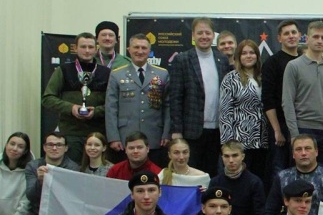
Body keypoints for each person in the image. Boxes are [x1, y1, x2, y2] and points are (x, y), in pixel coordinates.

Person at [169, 17, 233, 176]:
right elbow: (175, 98)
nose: (204, 36)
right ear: (193, 35)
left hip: (217, 131)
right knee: (190, 174)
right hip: (191, 131)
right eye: (200, 33)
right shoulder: (182, 60)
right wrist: (177, 131)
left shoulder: (222, 60)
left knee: (211, 174)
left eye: (207, 33)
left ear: (213, 35)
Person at [42, 32, 110, 163]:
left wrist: (96, 111)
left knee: (96, 170)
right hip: (70, 133)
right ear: (75, 48)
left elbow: (113, 104)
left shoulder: (106, 73)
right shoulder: (63, 70)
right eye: (83, 47)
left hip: (97, 134)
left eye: (90, 47)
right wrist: (71, 108)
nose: (87, 50)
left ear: (96, 49)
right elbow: (47, 98)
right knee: (72, 170)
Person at [106, 33, 170, 166]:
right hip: (125, 137)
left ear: (149, 51)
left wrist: (166, 133)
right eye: (136, 47)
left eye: (144, 48)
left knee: (154, 174)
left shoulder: (162, 74)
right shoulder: (117, 74)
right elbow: (111, 108)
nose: (140, 51)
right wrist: (113, 137)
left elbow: (168, 106)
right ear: (129, 49)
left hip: (154, 136)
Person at [282, 20, 323, 165]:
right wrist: (294, 134)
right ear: (307, 39)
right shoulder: (293, 66)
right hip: (302, 128)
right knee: (300, 174)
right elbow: (287, 102)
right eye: (315, 37)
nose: (319, 41)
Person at [264, 134, 323, 215]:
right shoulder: (282, 177)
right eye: (298, 149)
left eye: (308, 148)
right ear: (293, 154)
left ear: (316, 152)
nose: (303, 153)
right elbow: (270, 211)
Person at [219, 39, 269, 182]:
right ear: (238, 57)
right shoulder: (231, 78)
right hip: (240, 138)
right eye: (244, 53)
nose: (248, 56)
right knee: (242, 179)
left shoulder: (264, 76)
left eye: (252, 53)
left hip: (263, 138)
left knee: (260, 178)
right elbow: (225, 112)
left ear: (257, 56)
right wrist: (228, 144)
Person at [262, 20, 302, 176]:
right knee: (279, 170)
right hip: (281, 125)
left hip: (302, 123)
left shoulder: (305, 61)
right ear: (279, 38)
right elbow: (268, 99)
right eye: (286, 33)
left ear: (300, 35)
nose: (291, 36)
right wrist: (277, 130)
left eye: (293, 32)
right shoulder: (272, 63)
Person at [25, 132, 80, 215]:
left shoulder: (73, 168)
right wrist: (40, 182)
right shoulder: (33, 166)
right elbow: (31, 196)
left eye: (59, 145)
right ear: (44, 147)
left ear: (66, 148)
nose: (54, 148)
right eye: (50, 144)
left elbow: (70, 199)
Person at [209, 140, 267, 215]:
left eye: (235, 155)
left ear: (243, 156)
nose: (231, 160)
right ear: (222, 158)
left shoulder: (254, 182)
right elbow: (210, 211)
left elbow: (260, 214)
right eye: (226, 156)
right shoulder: (215, 182)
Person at [1, 132, 34, 215]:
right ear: (6, 145)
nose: (14, 149)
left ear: (25, 151)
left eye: (20, 147)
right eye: (12, 144)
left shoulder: (30, 171)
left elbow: (25, 204)